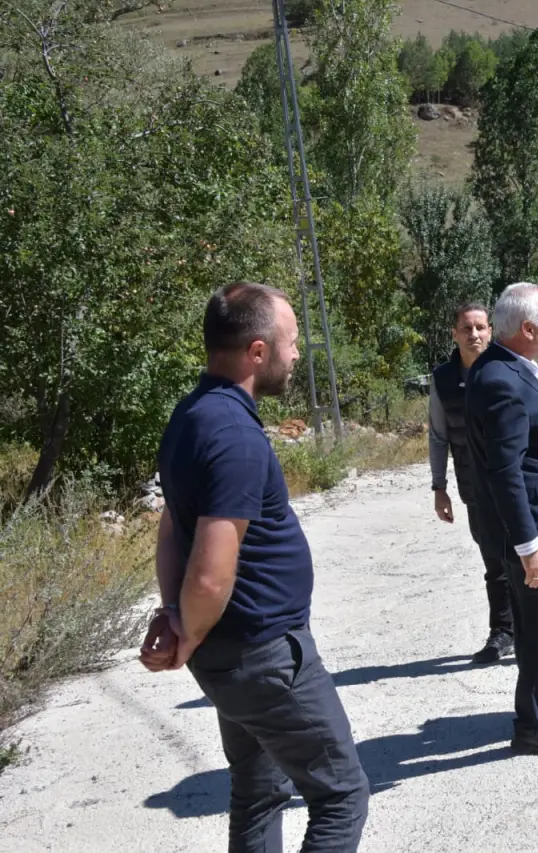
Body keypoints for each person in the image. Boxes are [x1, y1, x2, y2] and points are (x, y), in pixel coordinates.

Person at [139, 282, 369, 852]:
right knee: (341, 796)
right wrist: (185, 633)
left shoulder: (190, 414)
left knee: (257, 792)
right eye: (291, 342)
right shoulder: (234, 434)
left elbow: (173, 527)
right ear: (258, 351)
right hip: (264, 656)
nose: (297, 354)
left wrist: (176, 616)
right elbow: (211, 573)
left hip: (230, 652)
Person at [465, 282, 538, 755]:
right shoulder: (500, 379)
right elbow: (504, 472)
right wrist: (528, 545)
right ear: (529, 327)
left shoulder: (508, 367)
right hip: (533, 525)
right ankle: (533, 722)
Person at [429, 302, 515, 664]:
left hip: (514, 483)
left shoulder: (508, 368)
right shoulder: (443, 379)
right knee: (494, 561)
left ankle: (532, 630)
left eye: (481, 327)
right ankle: (503, 632)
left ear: (491, 331)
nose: (474, 334)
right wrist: (439, 486)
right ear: (454, 334)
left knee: (525, 555)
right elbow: (438, 435)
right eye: (466, 328)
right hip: (473, 486)